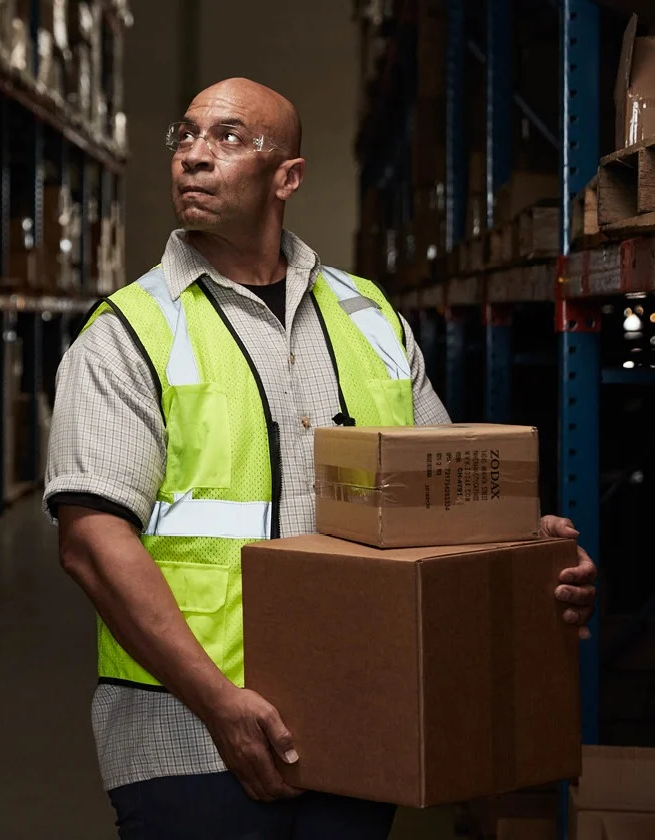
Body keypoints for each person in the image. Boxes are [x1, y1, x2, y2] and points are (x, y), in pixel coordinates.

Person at [43, 77, 598, 840]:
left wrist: (531, 558)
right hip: (187, 733)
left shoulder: (367, 315)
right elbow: (91, 544)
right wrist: (218, 704)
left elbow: (445, 506)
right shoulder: (128, 332)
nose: (194, 157)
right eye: (185, 136)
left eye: (229, 138)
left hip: (357, 718)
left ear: (287, 178)